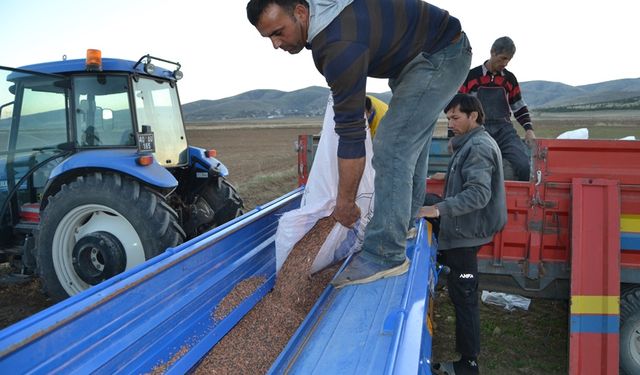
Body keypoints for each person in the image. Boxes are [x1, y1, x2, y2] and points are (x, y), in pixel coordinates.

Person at [247, 0, 472, 287]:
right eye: (269, 38)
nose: (276, 44)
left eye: (278, 32)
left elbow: (351, 135)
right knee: (411, 141)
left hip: (438, 55)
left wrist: (345, 203)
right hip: (420, 58)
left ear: (301, 13)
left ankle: (385, 254)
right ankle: (401, 225)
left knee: (392, 147)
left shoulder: (339, 43)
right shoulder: (330, 23)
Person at [418, 94, 507, 375]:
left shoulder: (478, 146)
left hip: (466, 233)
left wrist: (436, 210)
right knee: (425, 199)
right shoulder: (469, 143)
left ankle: (468, 364)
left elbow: (479, 194)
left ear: (474, 116)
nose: (451, 123)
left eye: (456, 118)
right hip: (464, 227)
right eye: (448, 118)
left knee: (465, 297)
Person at [459, 36, 534, 181]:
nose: (505, 63)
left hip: (504, 130)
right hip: (479, 130)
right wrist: (454, 137)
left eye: (508, 60)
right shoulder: (471, 77)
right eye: (502, 58)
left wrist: (529, 130)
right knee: (471, 168)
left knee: (524, 165)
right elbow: (458, 109)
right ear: (492, 52)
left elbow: (518, 107)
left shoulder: (509, 79)